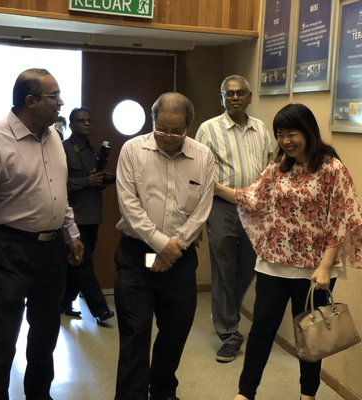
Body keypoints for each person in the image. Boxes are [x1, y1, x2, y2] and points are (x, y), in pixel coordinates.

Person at [214, 103, 362, 400]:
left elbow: (341, 217)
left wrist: (325, 266)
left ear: (308, 131)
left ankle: (308, 394)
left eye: (291, 133)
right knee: (262, 328)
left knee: (311, 334)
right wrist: (215, 187)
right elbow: (254, 197)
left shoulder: (331, 168)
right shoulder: (279, 166)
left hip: (314, 269)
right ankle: (245, 393)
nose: (285, 141)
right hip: (273, 264)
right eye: (280, 134)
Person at [0, 68, 84, 400]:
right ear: (30, 101)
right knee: (4, 336)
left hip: (51, 250)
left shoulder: (54, 137)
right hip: (11, 247)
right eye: (54, 96)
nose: (61, 103)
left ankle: (39, 395)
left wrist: (71, 234)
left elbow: (58, 193)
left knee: (46, 333)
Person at [114, 92, 215, 400]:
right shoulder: (132, 150)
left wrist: (173, 248)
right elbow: (129, 205)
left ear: (188, 126)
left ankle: (162, 391)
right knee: (135, 332)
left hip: (179, 260)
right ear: (152, 120)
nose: (168, 136)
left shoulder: (203, 156)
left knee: (176, 330)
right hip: (136, 257)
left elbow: (202, 209)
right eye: (162, 128)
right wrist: (160, 244)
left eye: (176, 131)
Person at [195, 75, 273, 362]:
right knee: (224, 268)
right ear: (222, 98)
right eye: (229, 94)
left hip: (255, 210)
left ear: (250, 97)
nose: (235, 98)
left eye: (240, 93)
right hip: (223, 207)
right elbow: (198, 171)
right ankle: (229, 333)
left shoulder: (260, 128)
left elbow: (270, 166)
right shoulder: (208, 129)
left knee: (250, 267)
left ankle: (230, 313)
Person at [60, 106, 115, 323]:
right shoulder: (63, 149)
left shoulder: (94, 150)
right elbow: (59, 184)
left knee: (77, 262)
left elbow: (96, 180)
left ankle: (64, 302)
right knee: (83, 263)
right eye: (82, 121)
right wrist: (87, 181)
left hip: (93, 216)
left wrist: (105, 179)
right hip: (74, 218)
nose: (87, 124)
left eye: (89, 120)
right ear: (72, 125)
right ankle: (100, 309)